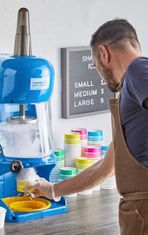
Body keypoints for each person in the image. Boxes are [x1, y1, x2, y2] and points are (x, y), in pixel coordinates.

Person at [24, 19, 148, 235]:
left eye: (95, 65)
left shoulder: (138, 69)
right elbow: (104, 169)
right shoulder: (133, 98)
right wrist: (52, 190)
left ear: (103, 53)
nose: (99, 74)